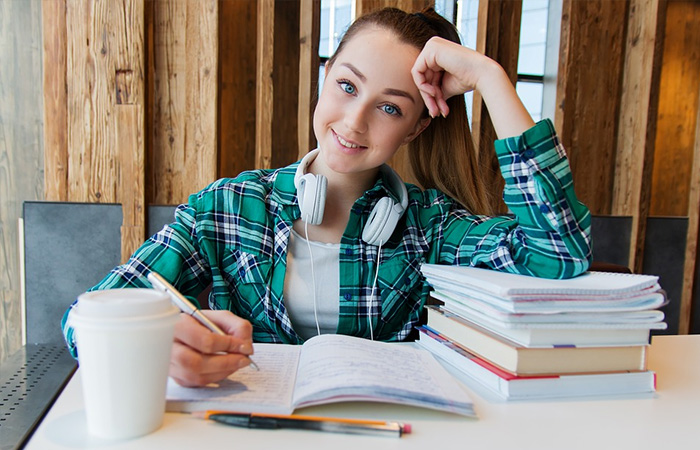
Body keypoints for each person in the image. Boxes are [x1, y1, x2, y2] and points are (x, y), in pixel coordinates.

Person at [62, 7, 591, 388]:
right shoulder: (224, 210)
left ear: (412, 130)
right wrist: (157, 346)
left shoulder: (430, 228)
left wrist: (491, 78)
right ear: (324, 78)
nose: (354, 121)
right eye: (346, 86)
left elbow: (559, 253)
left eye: (390, 108)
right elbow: (82, 321)